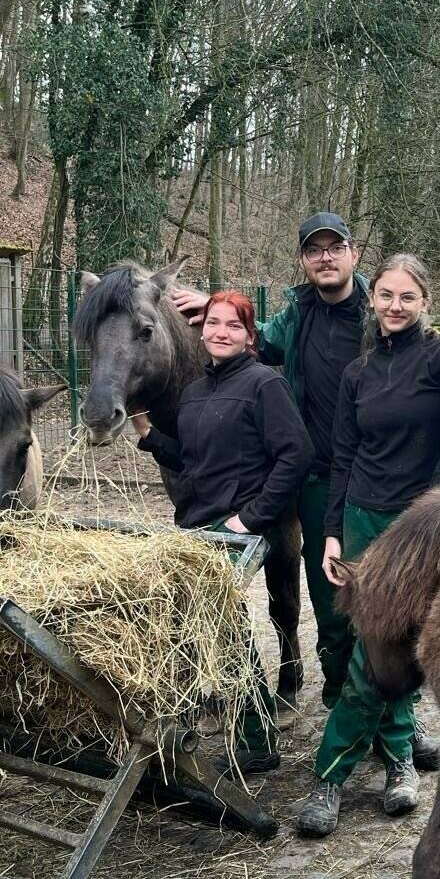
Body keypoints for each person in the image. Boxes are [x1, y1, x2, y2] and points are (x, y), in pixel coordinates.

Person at [173, 214, 440, 769]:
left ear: (352, 252)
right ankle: (345, 706)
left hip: (378, 487)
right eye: (313, 250)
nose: (325, 258)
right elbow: (252, 342)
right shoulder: (294, 315)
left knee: (378, 609)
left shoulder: (380, 310)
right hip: (314, 478)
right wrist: (215, 313)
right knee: (332, 610)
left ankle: (396, 720)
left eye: (334, 248)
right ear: (303, 260)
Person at [296, 255, 440, 836]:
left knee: (383, 654)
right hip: (362, 517)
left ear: (424, 303)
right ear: (373, 299)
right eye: (386, 295)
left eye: (406, 297)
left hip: (416, 524)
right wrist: (334, 528)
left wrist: (432, 516)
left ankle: (330, 776)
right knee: (375, 645)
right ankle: (399, 762)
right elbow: (344, 455)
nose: (394, 306)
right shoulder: (357, 374)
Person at [135, 291, 312, 775]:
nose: (221, 332)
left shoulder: (263, 385)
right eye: (213, 323)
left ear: (250, 337)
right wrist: (150, 435)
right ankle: (190, 723)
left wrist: (252, 517)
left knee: (219, 619)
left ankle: (257, 739)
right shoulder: (195, 393)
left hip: (250, 526)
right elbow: (193, 462)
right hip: (202, 524)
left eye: (234, 326)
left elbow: (296, 455)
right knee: (179, 612)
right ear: (202, 330)